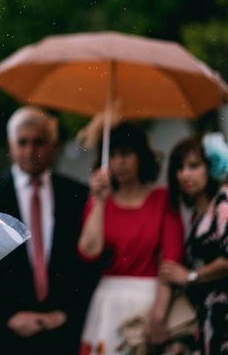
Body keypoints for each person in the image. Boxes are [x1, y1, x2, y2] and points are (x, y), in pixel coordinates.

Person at [0, 106, 92, 354]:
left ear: (54, 145)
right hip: (5, 332)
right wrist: (6, 316)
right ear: (11, 145)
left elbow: (84, 266)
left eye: (39, 142)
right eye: (23, 142)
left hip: (63, 331)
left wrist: (64, 314)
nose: (30, 150)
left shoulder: (76, 195)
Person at [78, 122, 184, 354]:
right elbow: (89, 251)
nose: (119, 162)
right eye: (113, 155)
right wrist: (99, 200)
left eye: (126, 153)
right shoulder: (100, 201)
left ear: (141, 156)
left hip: (149, 300)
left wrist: (159, 313)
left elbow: (171, 259)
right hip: (108, 302)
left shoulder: (162, 199)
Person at [159, 133, 228, 355]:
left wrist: (190, 276)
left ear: (211, 167)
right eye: (179, 168)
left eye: (194, 166)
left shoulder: (223, 201)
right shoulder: (196, 217)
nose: (185, 174)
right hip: (206, 320)